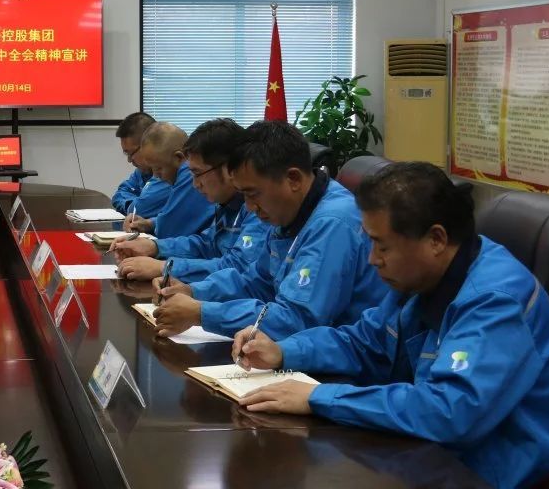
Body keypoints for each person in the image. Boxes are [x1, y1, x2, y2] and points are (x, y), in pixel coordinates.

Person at [235, 161, 549, 489]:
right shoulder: (425, 275)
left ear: (436, 239)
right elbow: (365, 342)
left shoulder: (495, 300)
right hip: (446, 468)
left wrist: (319, 397)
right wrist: (284, 351)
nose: (373, 259)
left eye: (382, 246)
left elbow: (450, 411)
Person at [151, 120, 386, 338]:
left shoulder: (333, 223)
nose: (249, 207)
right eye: (243, 195)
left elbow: (297, 319)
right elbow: (256, 281)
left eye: (253, 194)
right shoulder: (290, 210)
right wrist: (193, 291)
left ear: (293, 179)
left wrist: (203, 313)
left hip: (343, 358)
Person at [113, 118, 267, 283]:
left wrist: (165, 267)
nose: (195, 184)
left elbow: (238, 269)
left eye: (198, 174)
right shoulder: (227, 204)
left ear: (229, 168)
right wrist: (155, 247)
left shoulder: (259, 208)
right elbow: (207, 244)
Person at [120, 122, 214, 240]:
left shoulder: (188, 175)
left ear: (179, 157)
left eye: (159, 168)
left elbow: (168, 230)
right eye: (153, 169)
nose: (156, 175)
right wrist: (150, 223)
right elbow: (178, 219)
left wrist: (155, 227)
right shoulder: (179, 173)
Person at [111, 111, 171, 218]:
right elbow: (120, 193)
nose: (129, 160)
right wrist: (132, 204)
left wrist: (135, 206)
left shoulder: (167, 172)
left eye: (131, 153)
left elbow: (139, 210)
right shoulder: (142, 171)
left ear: (148, 145)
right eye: (126, 154)